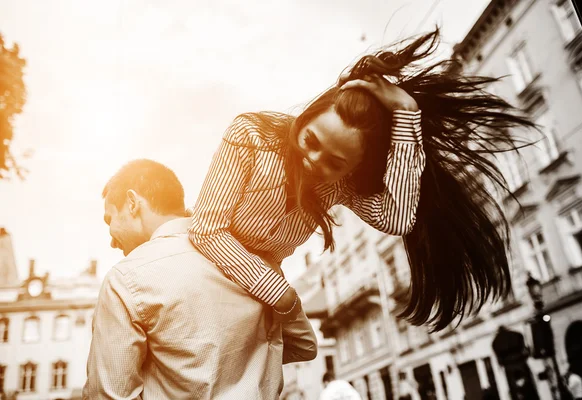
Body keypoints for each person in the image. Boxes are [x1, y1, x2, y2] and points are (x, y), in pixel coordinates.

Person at [189, 28, 535, 330]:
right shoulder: (251, 134)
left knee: (294, 349)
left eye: (335, 162)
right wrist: (279, 292)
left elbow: (398, 218)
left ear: (352, 169)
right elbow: (206, 229)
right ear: (308, 117)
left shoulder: (341, 186)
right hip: (197, 264)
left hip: (250, 292)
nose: (313, 162)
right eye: (311, 140)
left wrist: (407, 116)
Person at [83, 159, 318, 399]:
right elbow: (305, 346)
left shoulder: (125, 280)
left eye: (109, 220)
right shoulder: (252, 259)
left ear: (133, 203)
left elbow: (109, 395)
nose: (111, 241)